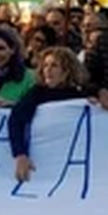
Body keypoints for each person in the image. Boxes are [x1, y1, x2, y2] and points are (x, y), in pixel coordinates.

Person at [9, 48, 89, 183]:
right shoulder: (37, 93)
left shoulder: (81, 95)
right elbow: (16, 119)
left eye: (54, 65)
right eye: (45, 65)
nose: (48, 70)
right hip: (43, 163)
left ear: (66, 71)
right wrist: (20, 154)